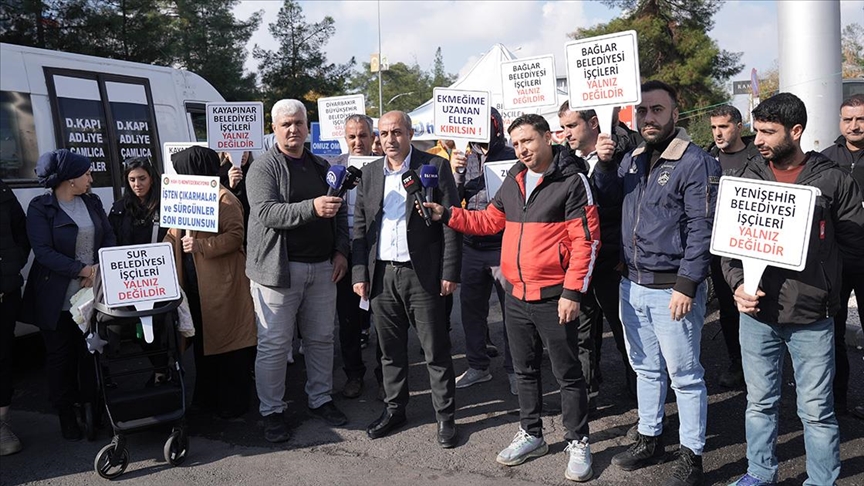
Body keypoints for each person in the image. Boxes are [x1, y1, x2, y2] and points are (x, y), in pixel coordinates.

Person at [424, 113, 599, 481]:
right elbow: (488, 221)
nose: (522, 150)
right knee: (524, 369)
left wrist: (572, 292)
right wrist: (447, 215)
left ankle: (578, 440)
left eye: (529, 141)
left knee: (567, 374)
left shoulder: (571, 180)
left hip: (555, 296)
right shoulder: (514, 179)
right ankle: (532, 433)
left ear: (548, 137)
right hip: (516, 294)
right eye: (517, 143)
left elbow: (587, 242)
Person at [723, 92, 864, 486]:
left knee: (817, 410)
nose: (759, 140)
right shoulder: (748, 176)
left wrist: (826, 290)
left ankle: (821, 480)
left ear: (796, 131)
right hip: (756, 314)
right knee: (759, 403)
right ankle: (759, 472)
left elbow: (854, 250)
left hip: (811, 317)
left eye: (768, 132)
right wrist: (737, 286)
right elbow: (730, 247)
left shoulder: (832, 180)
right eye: (757, 131)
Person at [593, 81, 720, 486]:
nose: (649, 118)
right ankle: (650, 436)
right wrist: (605, 163)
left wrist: (687, 283)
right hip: (632, 283)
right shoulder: (631, 158)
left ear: (675, 115)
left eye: (658, 110)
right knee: (645, 368)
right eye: (643, 111)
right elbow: (609, 201)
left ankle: (692, 454)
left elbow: (702, 228)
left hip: (672, 288)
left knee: (685, 374)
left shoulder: (694, 161)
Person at [352, 110, 461, 448]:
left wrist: (449, 270)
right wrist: (360, 272)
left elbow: (451, 222)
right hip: (382, 274)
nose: (390, 140)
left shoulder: (434, 167)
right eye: (383, 134)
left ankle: (445, 417)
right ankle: (395, 408)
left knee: (435, 350)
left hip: (423, 274)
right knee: (389, 351)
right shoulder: (369, 173)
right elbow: (359, 225)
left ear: (411, 134)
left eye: (396, 132)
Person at [246, 99, 350, 443]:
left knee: (321, 339)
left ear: (308, 127)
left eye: (299, 123)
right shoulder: (263, 168)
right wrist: (312, 208)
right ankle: (271, 411)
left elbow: (340, 213)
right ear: (274, 129)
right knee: (274, 345)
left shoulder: (322, 165)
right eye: (286, 124)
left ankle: (320, 399)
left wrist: (340, 251)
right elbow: (267, 213)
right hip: (278, 272)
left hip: (322, 267)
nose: (293, 129)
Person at [21, 149, 116, 441]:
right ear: (70, 179)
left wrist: (100, 268)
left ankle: (91, 407)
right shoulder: (41, 208)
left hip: (92, 294)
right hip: (57, 297)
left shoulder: (92, 201)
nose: (91, 178)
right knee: (60, 357)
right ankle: (65, 412)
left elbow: (109, 235)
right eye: (86, 173)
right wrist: (83, 271)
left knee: (90, 352)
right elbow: (43, 252)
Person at [165, 146, 257, 419]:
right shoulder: (183, 196)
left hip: (221, 285)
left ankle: (233, 403)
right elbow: (173, 235)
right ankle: (206, 400)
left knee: (228, 345)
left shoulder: (224, 198)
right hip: (195, 285)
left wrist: (202, 245)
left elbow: (236, 236)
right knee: (204, 345)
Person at [558, 100, 636, 401]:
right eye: (563, 127)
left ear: (593, 123)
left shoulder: (626, 154)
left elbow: (613, 201)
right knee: (583, 335)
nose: (566, 134)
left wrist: (605, 164)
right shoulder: (563, 160)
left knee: (625, 333)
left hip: (614, 261)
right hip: (580, 264)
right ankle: (588, 394)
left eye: (571, 126)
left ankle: (641, 400)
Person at [446, 108, 517, 395]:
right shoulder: (464, 157)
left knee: (512, 313)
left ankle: (516, 370)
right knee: (472, 311)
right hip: (472, 245)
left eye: (488, 126)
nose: (482, 132)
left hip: (504, 245)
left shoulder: (513, 154)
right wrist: (458, 173)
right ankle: (477, 366)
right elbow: (453, 198)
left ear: (497, 126)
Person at [706, 105, 762, 389]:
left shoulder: (758, 157)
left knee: (758, 306)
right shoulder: (706, 159)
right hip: (720, 248)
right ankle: (737, 363)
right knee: (728, 309)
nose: (718, 133)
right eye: (714, 127)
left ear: (739, 126)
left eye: (724, 126)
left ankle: (762, 365)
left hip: (754, 245)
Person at [108, 156, 170, 387]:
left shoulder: (166, 204)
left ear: (152, 178)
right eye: (132, 179)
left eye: (142, 178)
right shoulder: (119, 208)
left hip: (160, 280)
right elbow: (110, 241)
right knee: (120, 328)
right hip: (129, 281)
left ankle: (161, 370)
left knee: (153, 329)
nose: (137, 184)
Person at [820, 93, 864, 419]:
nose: (855, 125)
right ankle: (837, 401)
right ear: (840, 122)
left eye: (861, 119)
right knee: (832, 335)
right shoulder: (825, 159)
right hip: (835, 262)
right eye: (848, 119)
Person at [329, 113, 377, 399]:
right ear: (345, 139)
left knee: (382, 319)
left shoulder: (386, 167)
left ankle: (387, 378)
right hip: (345, 251)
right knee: (348, 319)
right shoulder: (334, 168)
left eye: (362, 135)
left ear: (373, 137)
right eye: (352, 136)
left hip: (378, 251)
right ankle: (354, 374)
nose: (357, 142)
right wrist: (338, 250)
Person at [0, 178, 29, 456]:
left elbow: (22, 233)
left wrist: (11, 267)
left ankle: (1, 424)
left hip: (4, 292)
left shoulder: (3, 190)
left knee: (3, 357)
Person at [217, 151, 254, 245]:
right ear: (226, 154)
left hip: (252, 229)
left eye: (246, 151)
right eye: (237, 151)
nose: (242, 154)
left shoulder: (255, 170)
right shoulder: (219, 176)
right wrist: (231, 187)